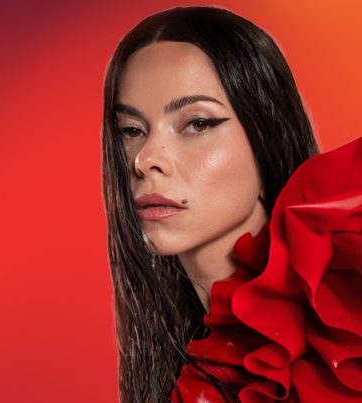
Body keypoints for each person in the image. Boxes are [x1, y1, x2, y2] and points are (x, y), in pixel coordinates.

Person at [101, 6, 362, 402]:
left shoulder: (347, 296)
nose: (145, 159)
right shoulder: (182, 369)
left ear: (267, 136)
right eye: (132, 130)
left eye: (198, 123)